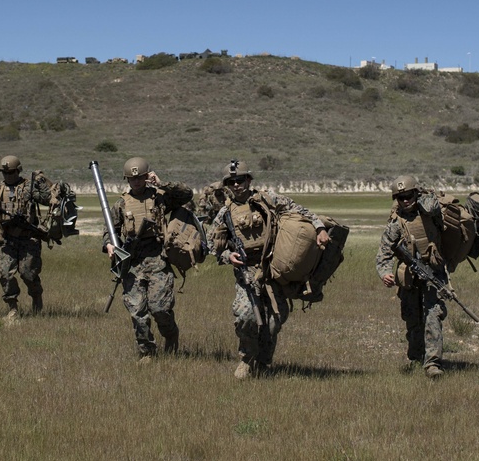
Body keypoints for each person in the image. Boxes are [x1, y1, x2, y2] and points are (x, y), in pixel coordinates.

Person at [210, 160, 330, 378]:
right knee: (246, 317)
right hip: (246, 273)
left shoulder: (266, 199)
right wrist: (228, 255)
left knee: (274, 321)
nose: (236, 185)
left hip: (273, 269)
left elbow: (300, 210)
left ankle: (264, 363)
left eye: (240, 180)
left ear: (248, 180)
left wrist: (320, 227)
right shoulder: (225, 212)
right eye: (231, 182)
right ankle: (247, 359)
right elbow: (211, 243)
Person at [103, 157, 193, 361]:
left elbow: (186, 194)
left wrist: (162, 184)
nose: (136, 182)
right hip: (132, 264)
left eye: (141, 177)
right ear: (126, 180)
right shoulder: (120, 204)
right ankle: (147, 352)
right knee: (137, 312)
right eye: (132, 179)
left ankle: (171, 336)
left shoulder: (160, 198)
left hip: (158, 261)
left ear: (147, 177)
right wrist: (109, 244)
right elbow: (110, 231)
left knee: (160, 308)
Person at [375, 175, 448, 378]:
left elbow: (433, 206)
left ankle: (433, 364)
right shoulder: (395, 224)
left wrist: (422, 195)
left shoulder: (430, 210)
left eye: (408, 195)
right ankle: (417, 357)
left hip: (434, 272)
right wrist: (386, 273)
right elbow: (384, 253)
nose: (405, 200)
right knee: (412, 318)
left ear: (416, 193)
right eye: (400, 197)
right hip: (410, 276)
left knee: (433, 315)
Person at [0, 155, 52, 319]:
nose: (8, 176)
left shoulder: (28, 188)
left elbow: (47, 199)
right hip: (6, 240)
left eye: (11, 173)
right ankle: (13, 308)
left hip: (28, 239)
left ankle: (37, 298)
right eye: (5, 173)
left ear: (18, 171)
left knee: (28, 274)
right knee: (5, 274)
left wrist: (41, 183)